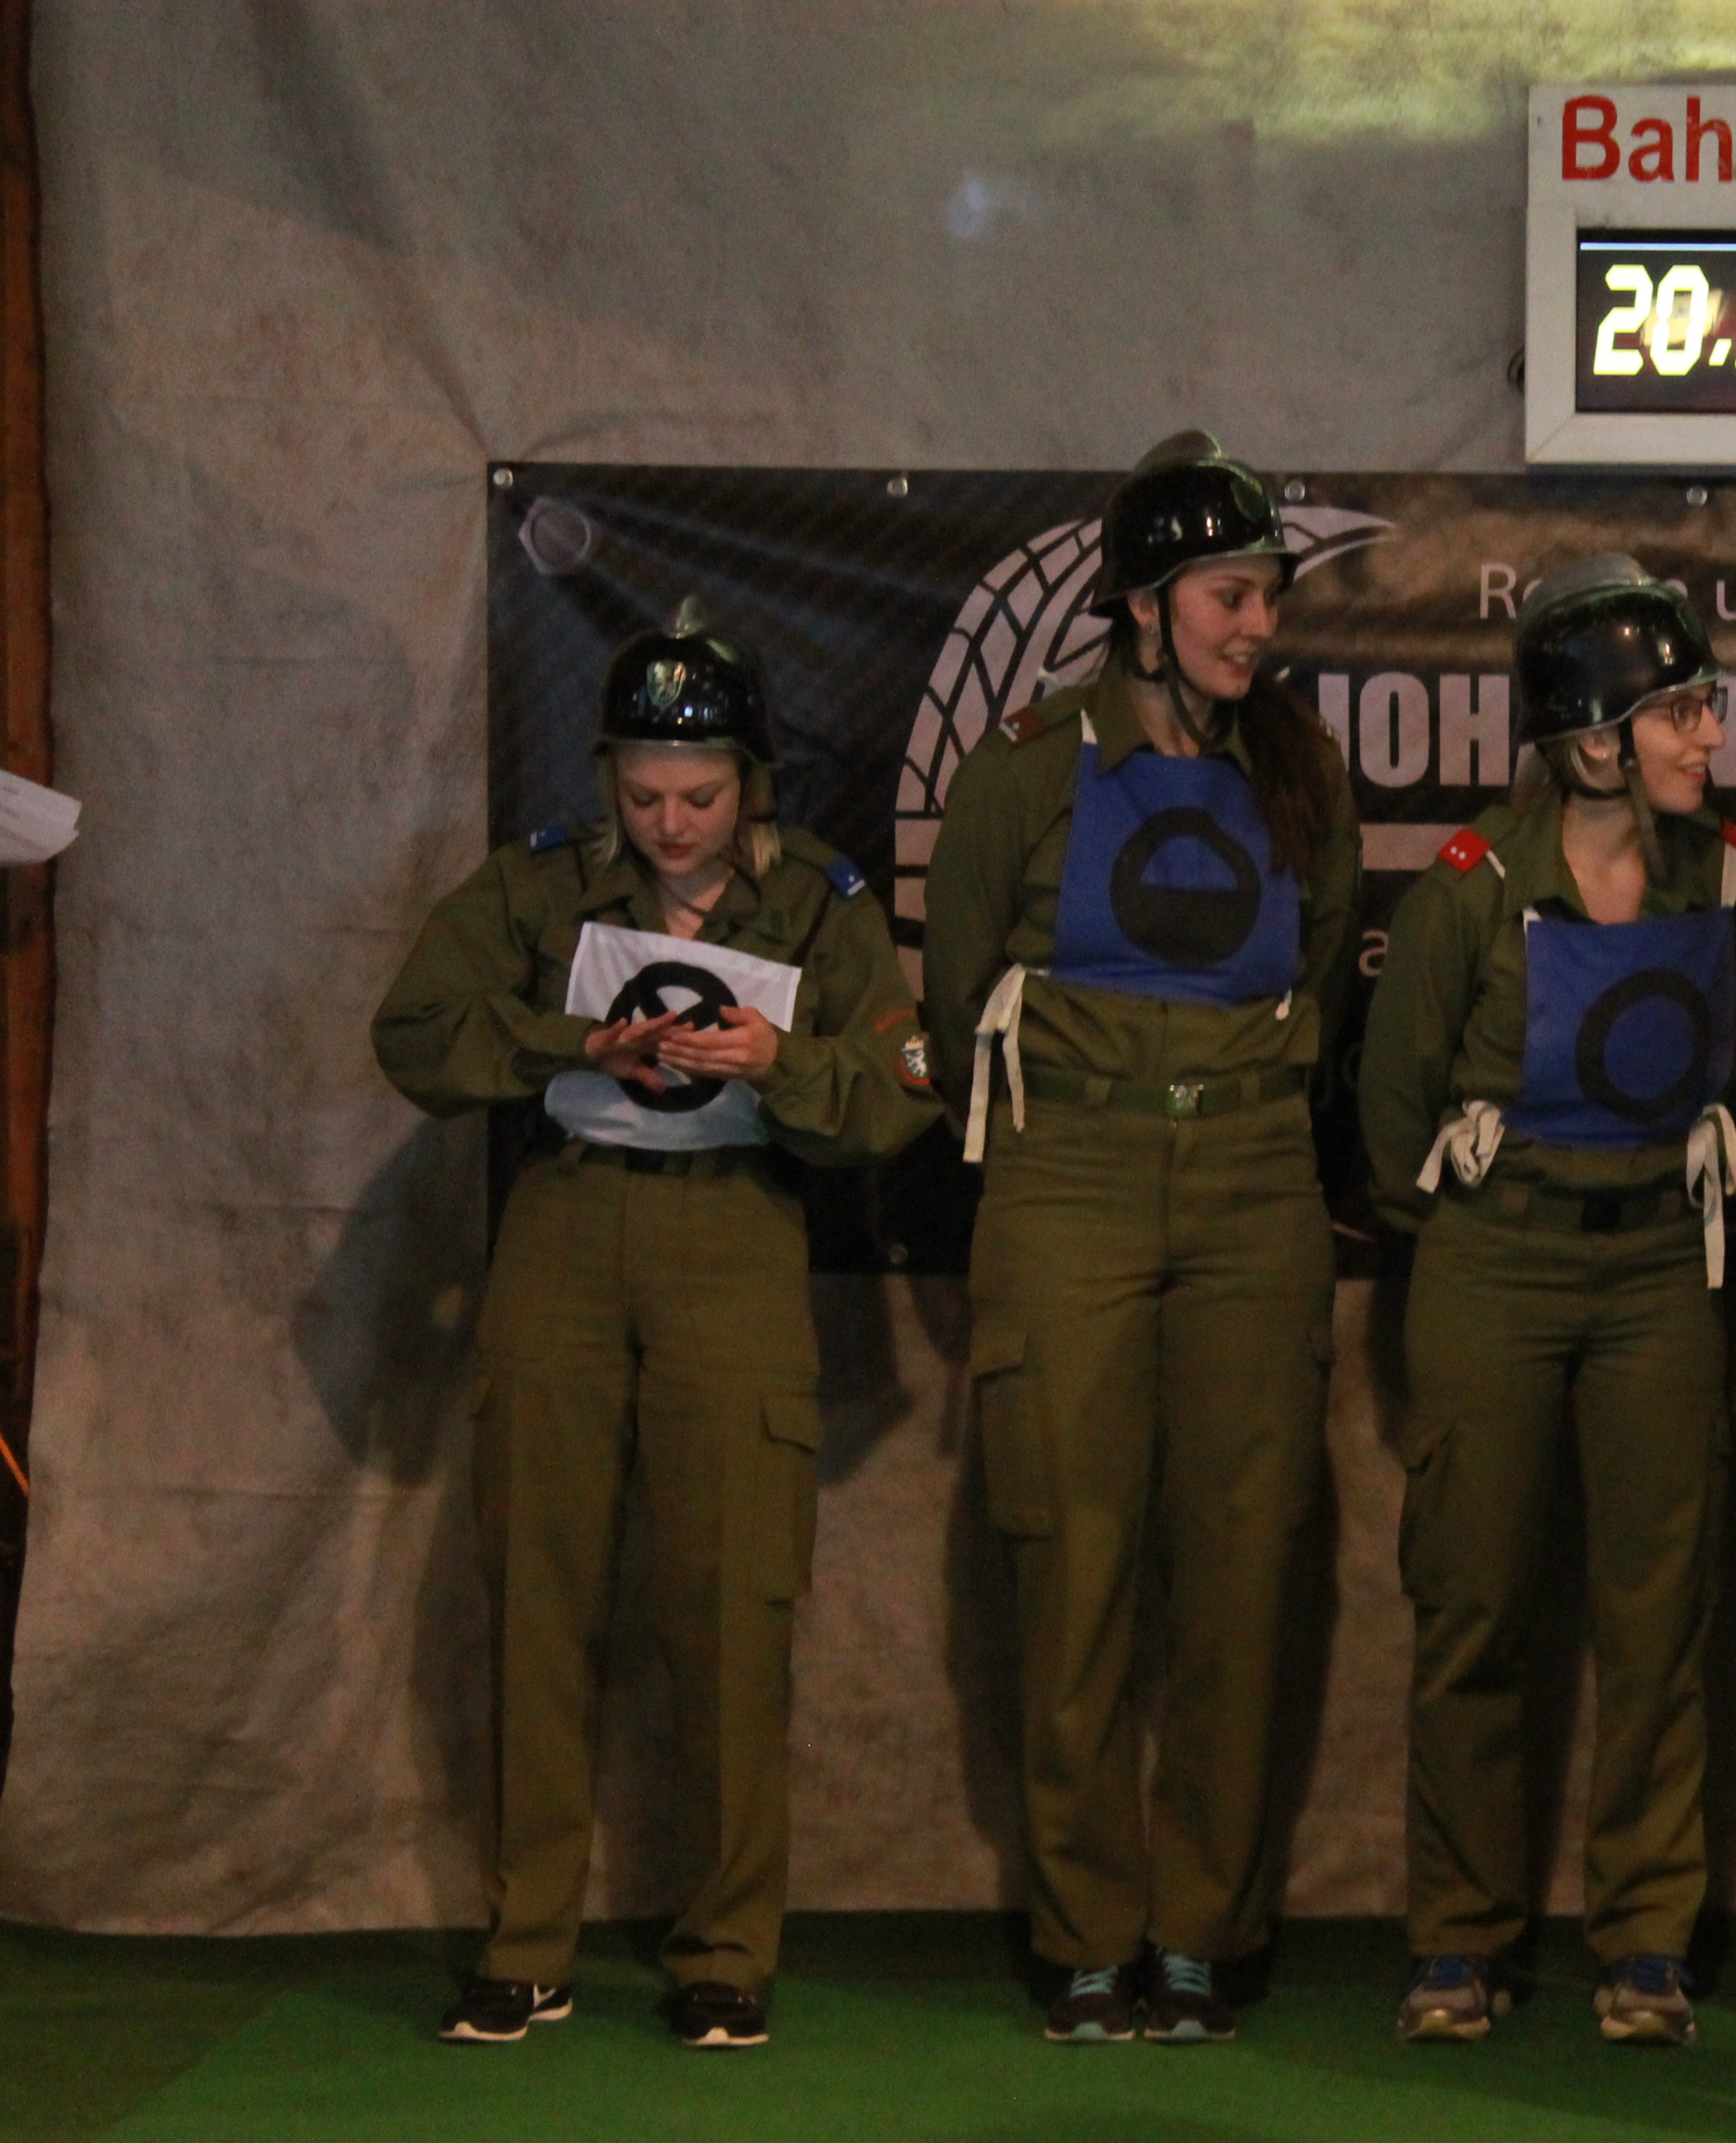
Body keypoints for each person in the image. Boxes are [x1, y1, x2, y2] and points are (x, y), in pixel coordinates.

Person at [373, 603, 940, 2050]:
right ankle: (528, 1941)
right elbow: (415, 1031)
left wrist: (782, 1059)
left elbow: (898, 1094)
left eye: (698, 796)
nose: (671, 824)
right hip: (566, 1224)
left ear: (752, 781)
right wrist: (571, 1041)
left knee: (733, 1605)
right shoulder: (542, 884)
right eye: (642, 796)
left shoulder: (820, 902)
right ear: (607, 779)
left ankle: (727, 1950)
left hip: (734, 1236)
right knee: (539, 1590)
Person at [919, 432, 1360, 2047]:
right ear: (1146, 604)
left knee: (1244, 1566)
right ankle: (1088, 1933)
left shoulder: (1303, 772)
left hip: (1254, 1179)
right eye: (1231, 595)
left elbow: (1328, 976)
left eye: (1269, 595)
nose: (1259, 625)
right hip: (1070, 1177)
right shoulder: (1027, 767)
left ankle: (1200, 1935)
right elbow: (955, 990)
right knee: (1074, 1559)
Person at [1359, 555, 1736, 2050]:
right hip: (1497, 1260)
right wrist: (1482, 1234)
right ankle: (1459, 1936)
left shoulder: (1722, 875)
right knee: (1473, 1600)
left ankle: (1645, 1936)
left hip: (1658, 1264)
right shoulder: (1469, 887)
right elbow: (1394, 1108)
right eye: (1680, 711)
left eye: (1706, 707)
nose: (1708, 735)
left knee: (1661, 1614)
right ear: (1595, 741)